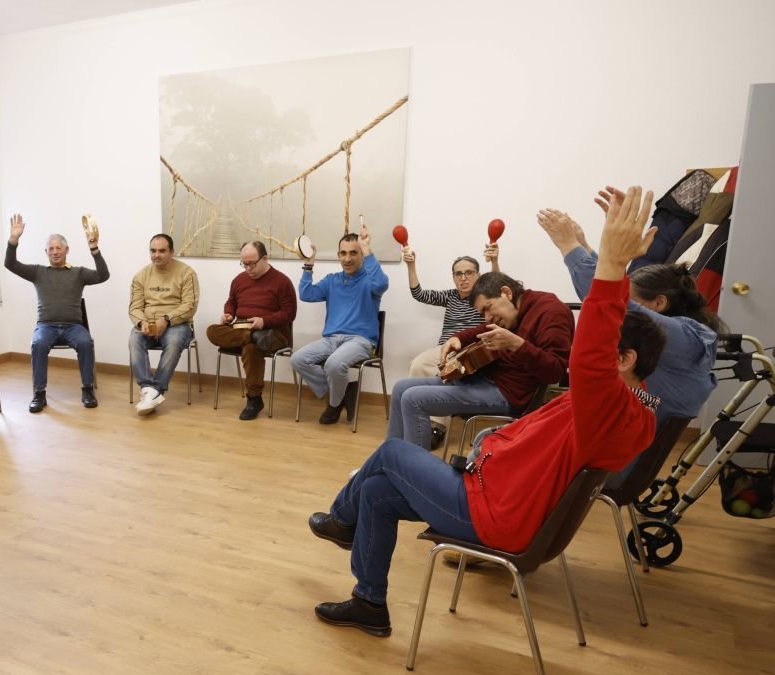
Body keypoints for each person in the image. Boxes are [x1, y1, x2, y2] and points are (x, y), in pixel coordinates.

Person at [308, 185, 664, 637]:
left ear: (624, 360)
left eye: (605, 350)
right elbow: (607, 358)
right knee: (377, 492)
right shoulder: (638, 406)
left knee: (392, 454)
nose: (589, 354)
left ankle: (342, 520)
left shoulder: (607, 407)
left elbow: (587, 354)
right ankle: (369, 603)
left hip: (494, 515)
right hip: (495, 495)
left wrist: (611, 264)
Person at [537, 188, 720, 427]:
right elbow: (612, 291)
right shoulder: (683, 337)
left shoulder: (686, 339)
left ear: (659, 302)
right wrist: (590, 247)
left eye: (630, 298)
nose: (623, 301)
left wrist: (569, 245)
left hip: (614, 440)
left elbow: (608, 299)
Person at [386, 269, 574, 450]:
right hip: (484, 380)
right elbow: (484, 329)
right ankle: (389, 457)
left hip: (509, 394)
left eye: (487, 309)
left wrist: (517, 345)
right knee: (401, 388)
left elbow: (555, 372)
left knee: (413, 399)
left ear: (506, 293)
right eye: (482, 314)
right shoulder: (512, 311)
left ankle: (411, 466)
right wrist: (459, 338)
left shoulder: (552, 312)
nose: (487, 318)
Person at [5, 213, 109, 413]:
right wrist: (13, 240)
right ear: (46, 252)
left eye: (58, 248)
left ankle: (88, 390)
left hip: (74, 327)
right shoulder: (38, 272)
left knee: (85, 343)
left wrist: (94, 249)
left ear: (66, 250)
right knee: (38, 344)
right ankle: (39, 393)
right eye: (50, 249)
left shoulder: (78, 273)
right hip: (46, 326)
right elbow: (10, 264)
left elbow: (103, 275)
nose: (54, 252)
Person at [289, 225, 389, 424]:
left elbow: (381, 284)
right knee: (297, 359)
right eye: (343, 253)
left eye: (353, 253)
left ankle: (334, 405)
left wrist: (366, 248)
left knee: (334, 364)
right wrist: (309, 264)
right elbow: (306, 294)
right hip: (331, 340)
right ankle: (342, 393)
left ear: (361, 254)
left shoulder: (370, 281)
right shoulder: (332, 280)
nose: (347, 258)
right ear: (338, 255)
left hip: (361, 341)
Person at [402, 244, 499, 447]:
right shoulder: (450, 296)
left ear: (478, 275)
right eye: (458, 274)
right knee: (417, 365)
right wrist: (411, 265)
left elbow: (498, 291)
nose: (463, 278)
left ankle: (437, 426)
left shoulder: (483, 298)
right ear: (453, 277)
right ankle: (417, 420)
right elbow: (419, 294)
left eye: (469, 273)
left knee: (445, 371)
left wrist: (494, 262)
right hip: (444, 349)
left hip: (470, 352)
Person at [205, 242, 298, 420]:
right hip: (242, 327)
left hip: (273, 332)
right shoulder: (239, 280)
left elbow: (289, 314)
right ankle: (252, 336)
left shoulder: (282, 282)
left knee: (251, 348)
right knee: (212, 331)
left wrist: (264, 321)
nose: (248, 268)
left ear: (265, 258)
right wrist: (228, 314)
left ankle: (254, 399)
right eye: (244, 263)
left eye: (252, 264)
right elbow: (231, 301)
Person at [129, 233, 200, 415]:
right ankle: (148, 389)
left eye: (161, 251)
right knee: (134, 339)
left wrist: (167, 319)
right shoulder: (141, 276)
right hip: (148, 323)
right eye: (153, 251)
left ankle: (156, 390)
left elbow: (190, 306)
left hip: (177, 324)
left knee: (174, 341)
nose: (156, 255)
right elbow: (134, 308)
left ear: (171, 252)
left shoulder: (187, 273)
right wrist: (142, 322)